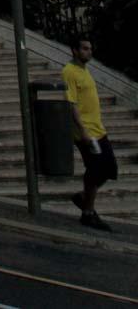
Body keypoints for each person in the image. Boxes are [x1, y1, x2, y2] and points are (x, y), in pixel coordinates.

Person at [63, 35, 117, 231]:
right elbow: (71, 104)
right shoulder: (69, 71)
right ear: (74, 51)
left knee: (109, 169)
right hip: (86, 132)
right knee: (96, 169)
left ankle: (84, 198)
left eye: (90, 49)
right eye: (84, 48)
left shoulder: (84, 70)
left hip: (98, 129)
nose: (88, 52)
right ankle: (88, 213)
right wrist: (83, 131)